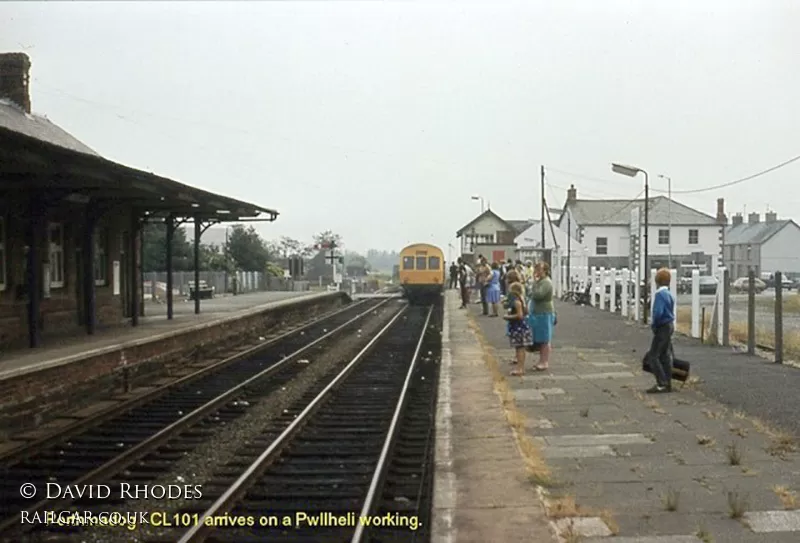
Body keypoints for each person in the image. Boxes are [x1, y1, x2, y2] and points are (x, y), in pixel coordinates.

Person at [646, 268, 676, 393]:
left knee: (653, 356)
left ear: (657, 281)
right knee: (664, 355)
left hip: (662, 327)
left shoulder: (659, 295)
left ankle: (661, 383)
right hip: (669, 325)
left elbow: (658, 313)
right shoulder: (669, 294)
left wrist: (654, 324)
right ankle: (668, 382)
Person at [528, 261, 555, 371]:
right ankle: (542, 360)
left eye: (539, 269)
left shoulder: (546, 282)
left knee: (545, 338)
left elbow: (538, 295)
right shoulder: (540, 282)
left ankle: (544, 361)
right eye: (536, 269)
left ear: (545, 271)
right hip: (538, 312)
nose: (536, 272)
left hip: (545, 312)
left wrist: (533, 285)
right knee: (540, 337)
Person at [504, 281, 533, 376]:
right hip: (521, 327)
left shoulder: (516, 302)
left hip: (518, 327)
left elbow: (520, 315)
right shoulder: (522, 300)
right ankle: (520, 367)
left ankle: (520, 368)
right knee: (519, 347)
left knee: (520, 347)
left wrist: (508, 317)